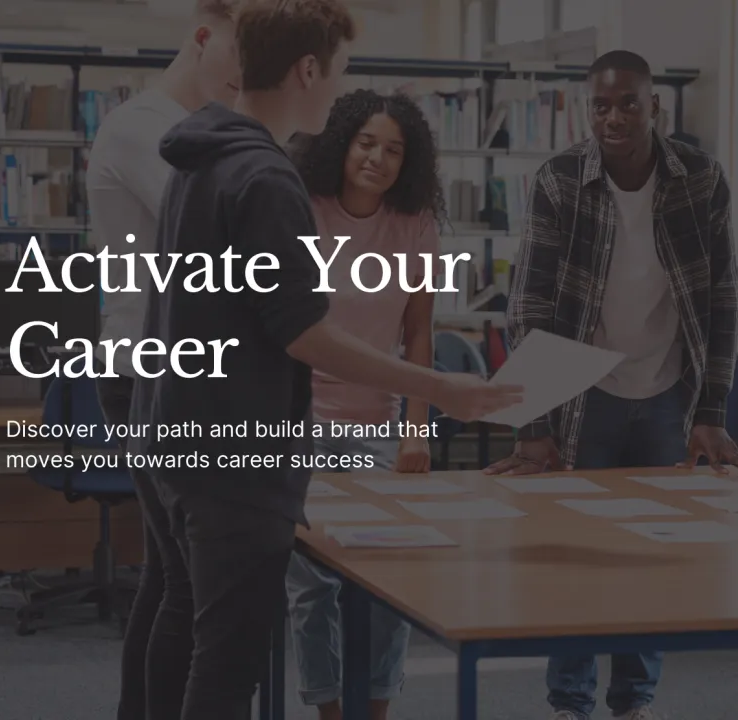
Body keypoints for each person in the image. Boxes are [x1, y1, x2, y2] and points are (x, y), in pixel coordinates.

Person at [127, 1, 522, 717]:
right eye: (339, 72)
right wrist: (439, 389)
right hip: (233, 457)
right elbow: (302, 331)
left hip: (173, 437)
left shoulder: (198, 158)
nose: (340, 89)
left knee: (184, 627)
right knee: (224, 663)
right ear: (308, 69)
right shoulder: (268, 179)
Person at [483, 49, 738, 720]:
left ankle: (634, 701)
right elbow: (530, 306)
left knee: (647, 559)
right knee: (578, 561)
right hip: (584, 398)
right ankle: (569, 703)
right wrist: (535, 424)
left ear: (654, 105)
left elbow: (722, 302)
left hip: (665, 393)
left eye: (628, 103)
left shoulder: (700, 181)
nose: (614, 117)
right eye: (601, 105)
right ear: (587, 108)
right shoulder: (558, 180)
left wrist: (711, 408)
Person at [83, 1, 242, 717]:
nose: (246, 86)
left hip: (173, 373)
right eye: (240, 68)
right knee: (184, 583)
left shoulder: (195, 131)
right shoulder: (147, 128)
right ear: (203, 39)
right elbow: (218, 227)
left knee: (167, 577)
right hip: (148, 373)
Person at [283, 89, 445, 720]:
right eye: (367, 142)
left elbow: (419, 335)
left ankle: (374, 712)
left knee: (389, 584)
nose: (377, 158)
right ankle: (328, 712)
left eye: (394, 150)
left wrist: (417, 427)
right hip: (300, 425)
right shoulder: (302, 209)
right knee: (312, 589)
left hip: (379, 429)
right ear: (343, 143)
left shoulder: (415, 225)